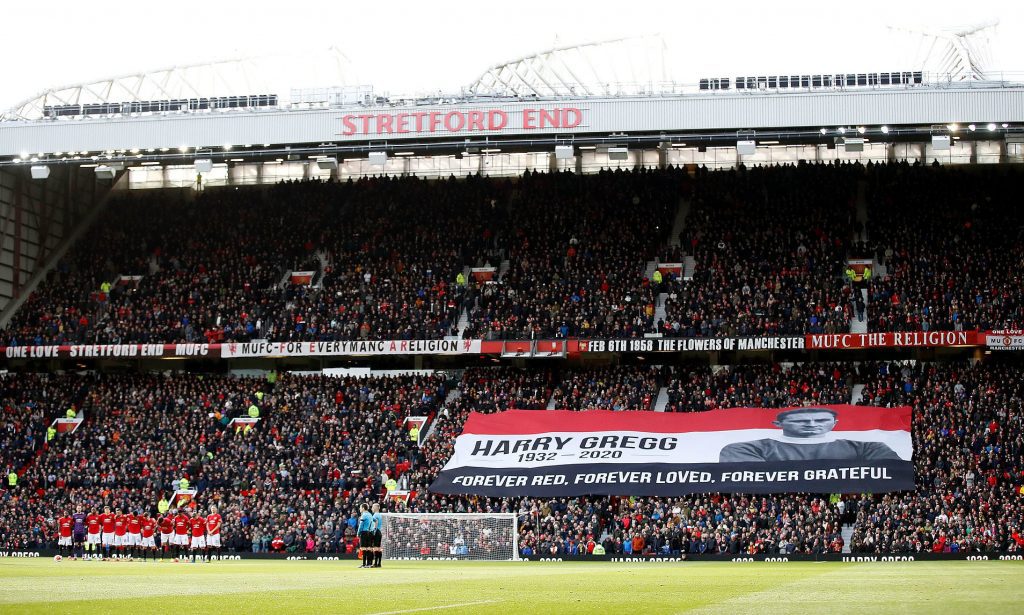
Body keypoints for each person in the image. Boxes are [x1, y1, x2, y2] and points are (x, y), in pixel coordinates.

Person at [719, 408, 902, 462]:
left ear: (834, 424)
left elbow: (889, 468)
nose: (812, 425)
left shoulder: (868, 446)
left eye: (821, 421)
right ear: (778, 424)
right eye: (801, 421)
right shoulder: (742, 448)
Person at [357, 504, 373, 568]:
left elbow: (361, 525)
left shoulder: (364, 515)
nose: (359, 509)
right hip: (370, 532)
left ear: (363, 508)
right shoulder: (370, 515)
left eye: (360, 507)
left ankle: (364, 564)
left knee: (363, 548)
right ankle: (369, 564)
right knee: (369, 548)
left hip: (364, 532)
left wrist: (358, 533)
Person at [370, 503, 383, 568]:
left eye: (372, 507)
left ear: (376, 508)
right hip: (379, 532)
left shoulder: (375, 515)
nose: (372, 508)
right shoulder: (379, 515)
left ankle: (375, 563)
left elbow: (376, 522)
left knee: (375, 548)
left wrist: (373, 531)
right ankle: (379, 563)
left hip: (376, 532)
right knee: (378, 548)